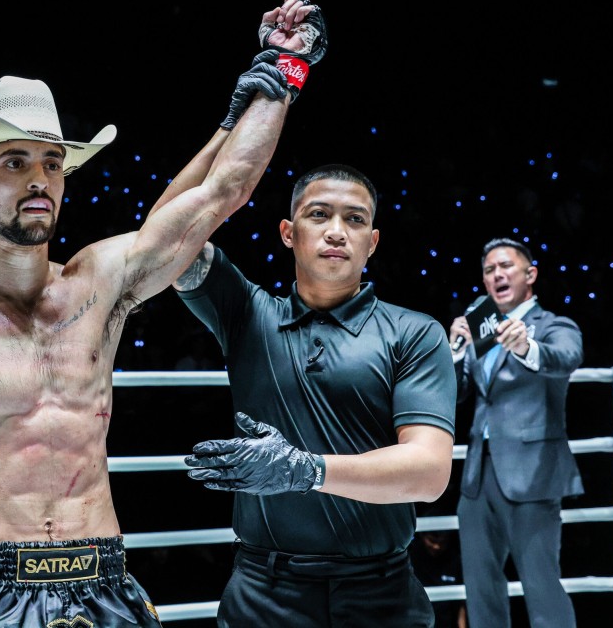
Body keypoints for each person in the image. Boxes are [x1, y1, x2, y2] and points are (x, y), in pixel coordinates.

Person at [0, 0, 328, 628]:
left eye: (52, 164)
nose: (38, 180)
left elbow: (222, 192)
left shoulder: (97, 282)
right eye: (15, 162)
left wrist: (284, 70)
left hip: (104, 577)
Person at [150, 165, 457, 626]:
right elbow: (161, 239)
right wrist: (232, 129)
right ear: (288, 233)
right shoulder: (248, 314)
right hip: (263, 592)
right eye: (319, 215)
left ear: (372, 242)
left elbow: (430, 472)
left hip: (382, 593)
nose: (337, 231)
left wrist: (304, 470)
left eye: (355, 219)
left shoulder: (414, 332)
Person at [447, 237, 583, 628]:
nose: (497, 275)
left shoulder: (552, 325)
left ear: (530, 275)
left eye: (505, 266)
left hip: (533, 475)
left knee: (542, 586)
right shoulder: (480, 329)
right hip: (477, 477)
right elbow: (456, 397)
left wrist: (527, 347)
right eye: (489, 270)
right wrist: (455, 352)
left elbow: (566, 357)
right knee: (480, 589)